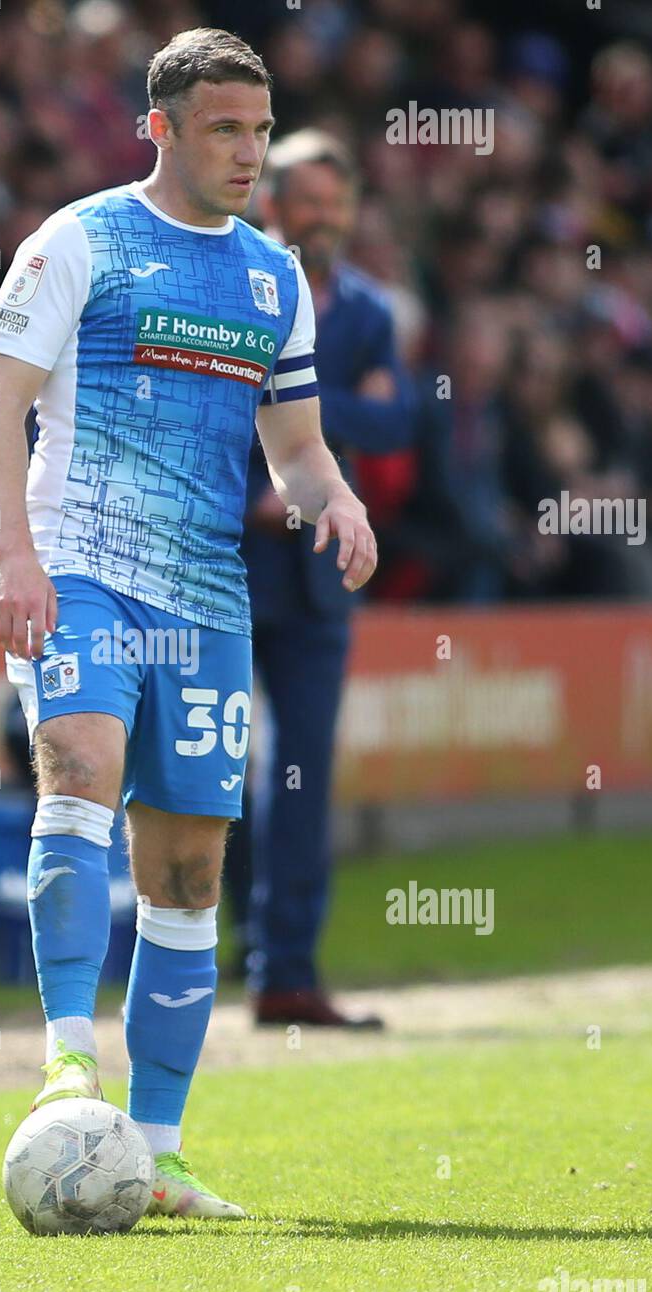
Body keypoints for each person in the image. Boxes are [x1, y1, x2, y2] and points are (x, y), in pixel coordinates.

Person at [0, 28, 376, 1219]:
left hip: (204, 597)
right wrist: (14, 553)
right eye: (224, 129)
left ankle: (157, 1148)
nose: (251, 152)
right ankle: (65, 1059)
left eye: (259, 128)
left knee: (190, 868)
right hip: (81, 565)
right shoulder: (79, 241)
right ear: (160, 128)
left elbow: (293, 447)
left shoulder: (271, 276)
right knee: (77, 766)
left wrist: (334, 499)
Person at [234, 130, 414, 1027]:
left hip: (314, 571)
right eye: (310, 201)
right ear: (271, 203)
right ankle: (201, 953)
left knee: (299, 777)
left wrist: (299, 423)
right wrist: (266, 485)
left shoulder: (368, 309)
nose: (327, 219)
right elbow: (205, 404)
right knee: (202, 767)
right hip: (222, 560)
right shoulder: (237, 287)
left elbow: (395, 424)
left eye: (338, 204)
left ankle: (286, 975)